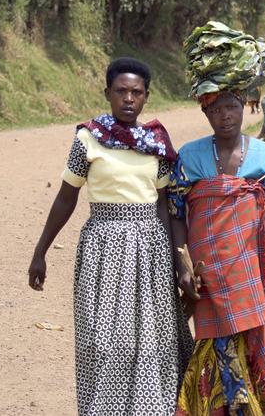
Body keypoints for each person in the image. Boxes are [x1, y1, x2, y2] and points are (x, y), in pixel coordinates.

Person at [27, 58, 192, 416]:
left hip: (151, 249)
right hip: (102, 249)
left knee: (152, 338)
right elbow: (65, 198)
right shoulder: (87, 139)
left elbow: (166, 207)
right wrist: (40, 252)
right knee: (101, 341)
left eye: (136, 92)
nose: (128, 99)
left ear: (147, 97)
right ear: (107, 93)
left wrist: (178, 261)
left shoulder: (158, 144)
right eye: (121, 91)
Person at [169, 90, 265, 415]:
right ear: (206, 114)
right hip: (207, 281)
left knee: (252, 367)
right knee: (212, 361)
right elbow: (176, 215)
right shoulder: (189, 157)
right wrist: (183, 266)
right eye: (216, 110)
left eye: (231, 107)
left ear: (243, 108)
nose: (225, 116)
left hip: (249, 282)